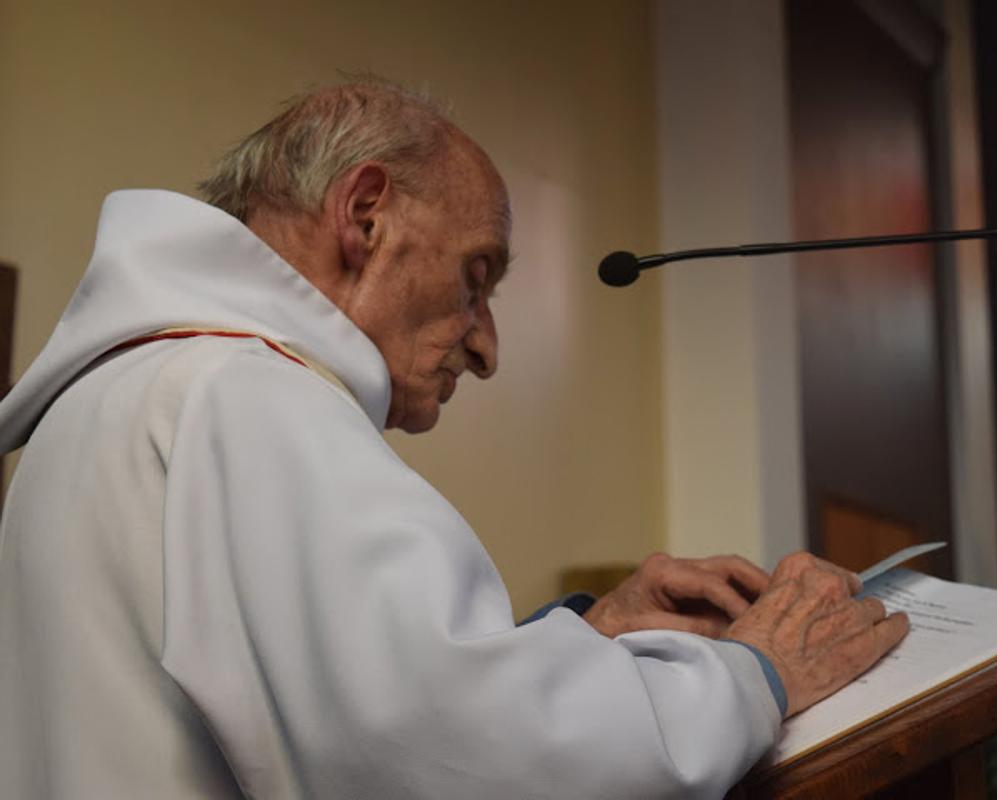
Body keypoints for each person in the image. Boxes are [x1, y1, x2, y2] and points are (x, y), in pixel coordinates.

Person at [0, 79, 907, 798]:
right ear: (364, 216)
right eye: (477, 279)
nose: (486, 346)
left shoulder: (127, 393)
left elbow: (345, 705)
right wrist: (758, 674)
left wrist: (595, 634)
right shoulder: (247, 397)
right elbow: (464, 761)